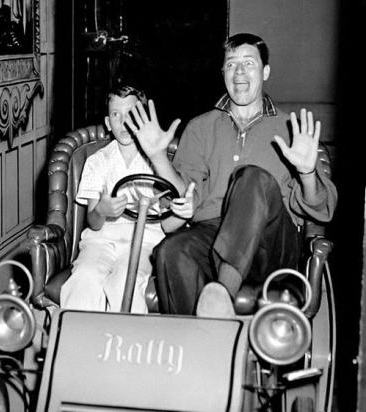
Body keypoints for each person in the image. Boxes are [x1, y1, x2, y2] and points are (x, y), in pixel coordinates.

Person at [125, 33, 337, 316]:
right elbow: (183, 195)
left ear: (265, 72)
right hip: (212, 232)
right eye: (231, 64)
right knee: (171, 251)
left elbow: (322, 211)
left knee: (251, 178)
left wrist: (307, 172)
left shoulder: (291, 129)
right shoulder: (201, 127)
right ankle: (197, 348)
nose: (239, 72)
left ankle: (220, 295)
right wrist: (158, 158)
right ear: (222, 72)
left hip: (272, 243)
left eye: (248, 63)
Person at [60, 84, 195, 313]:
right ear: (107, 122)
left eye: (131, 115)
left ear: (142, 120)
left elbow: (166, 223)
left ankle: (127, 343)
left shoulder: (157, 163)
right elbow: (93, 222)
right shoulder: (97, 161)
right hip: (101, 241)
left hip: (143, 243)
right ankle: (77, 341)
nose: (123, 122)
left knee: (125, 282)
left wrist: (183, 214)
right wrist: (101, 210)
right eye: (116, 115)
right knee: (85, 277)